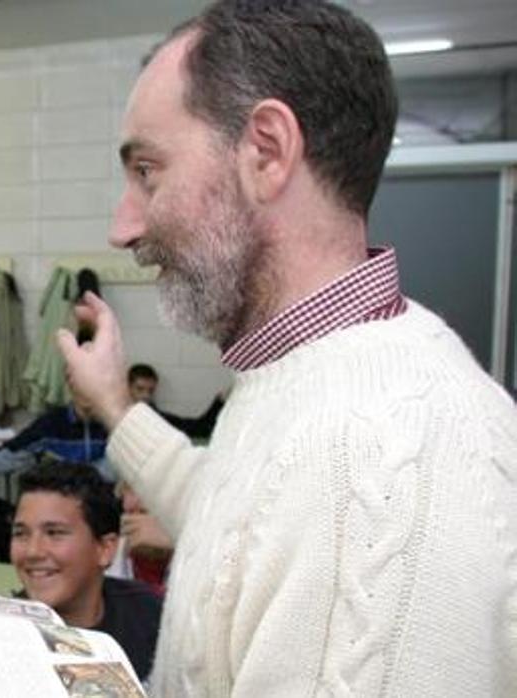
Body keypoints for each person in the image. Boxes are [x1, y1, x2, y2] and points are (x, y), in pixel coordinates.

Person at [55, 1, 517, 694]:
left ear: (266, 151)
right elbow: (245, 533)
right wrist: (116, 405)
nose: (124, 226)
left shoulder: (384, 450)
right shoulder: (314, 374)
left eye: (147, 171)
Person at [11, 462, 162, 681]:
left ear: (106, 549)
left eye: (54, 533)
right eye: (20, 534)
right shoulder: (3, 634)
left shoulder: (149, 615)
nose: (33, 551)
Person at [127, 364, 224, 440]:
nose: (146, 395)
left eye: (150, 391)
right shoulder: (117, 416)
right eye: (139, 389)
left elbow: (201, 429)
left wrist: (218, 403)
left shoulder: (157, 419)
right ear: (129, 387)